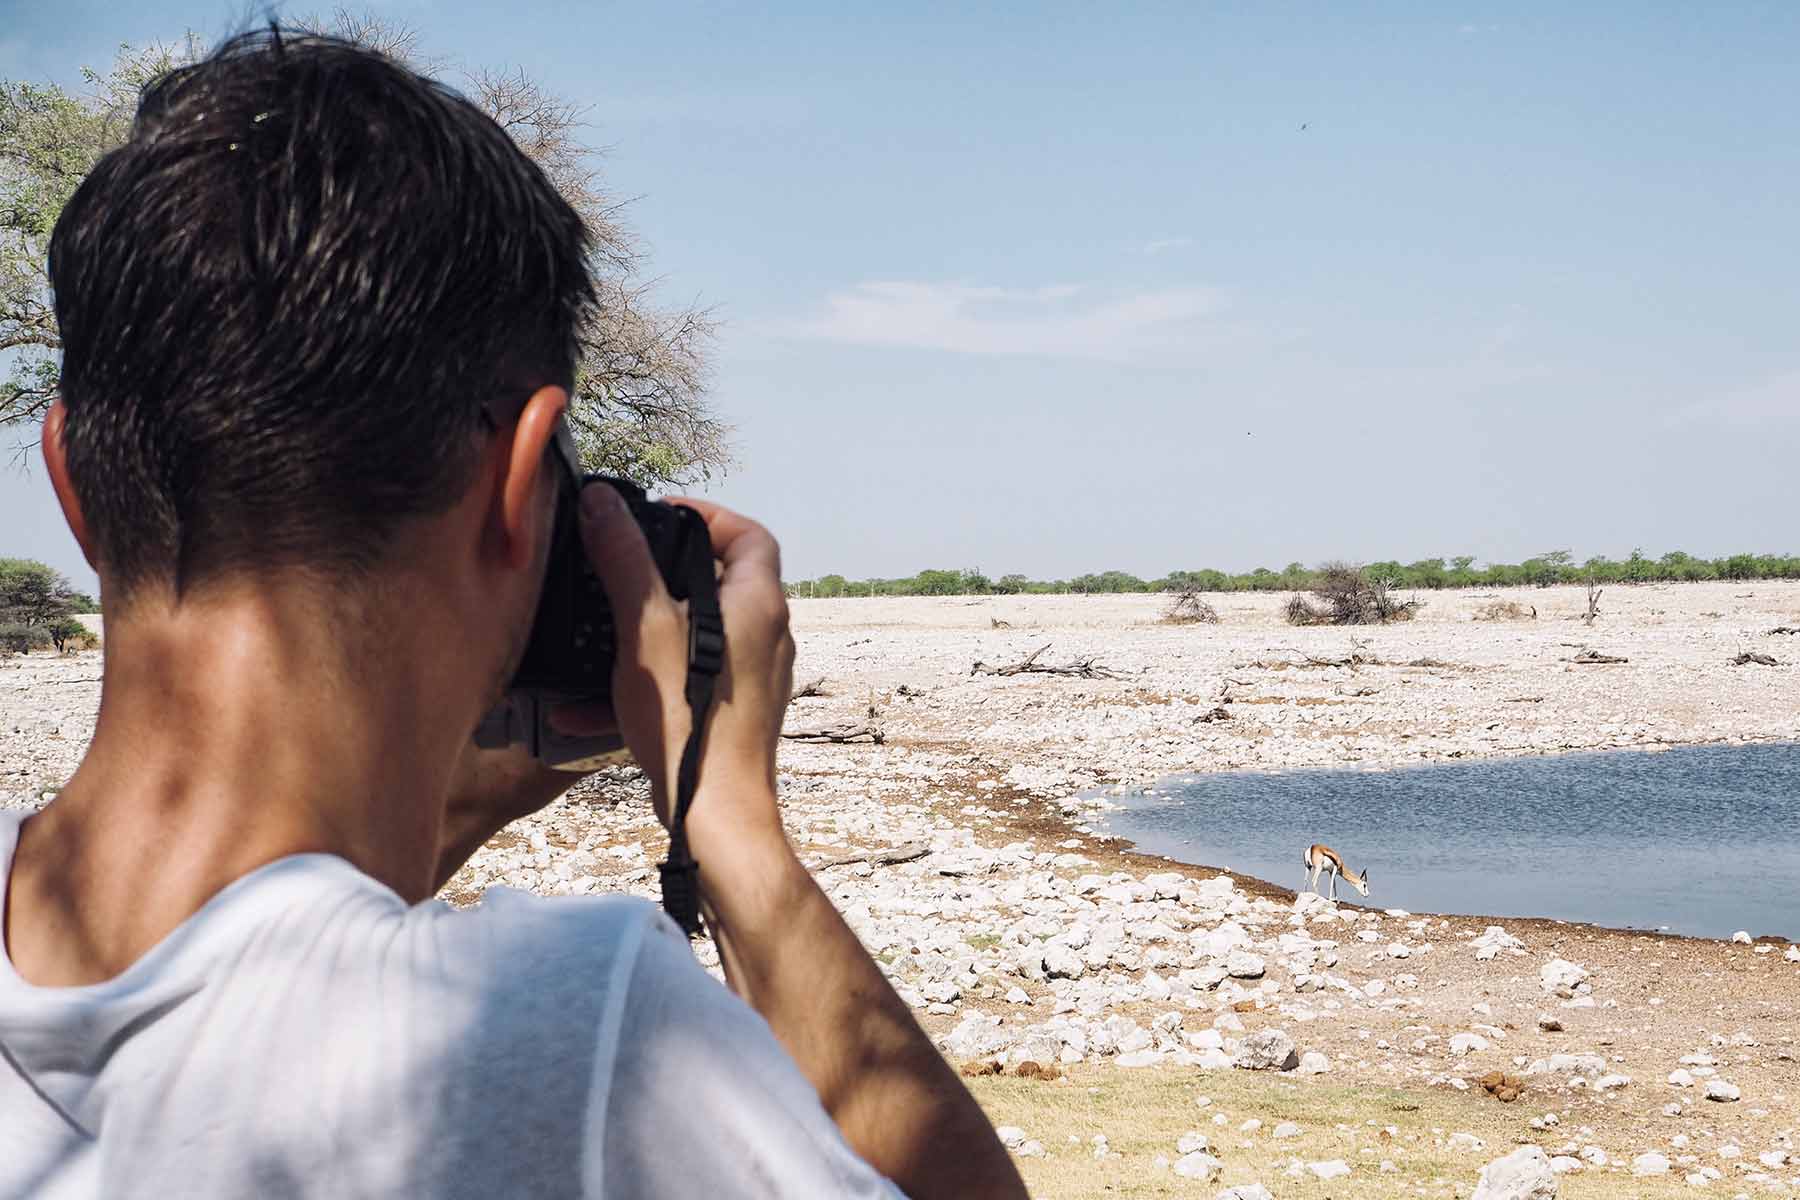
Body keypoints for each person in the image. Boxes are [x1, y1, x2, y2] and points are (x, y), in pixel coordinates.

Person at [0, 28, 1026, 1200]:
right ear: (517, 476)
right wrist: (727, 820)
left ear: (74, 484)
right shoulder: (578, 1039)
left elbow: (218, 994)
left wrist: (454, 795)